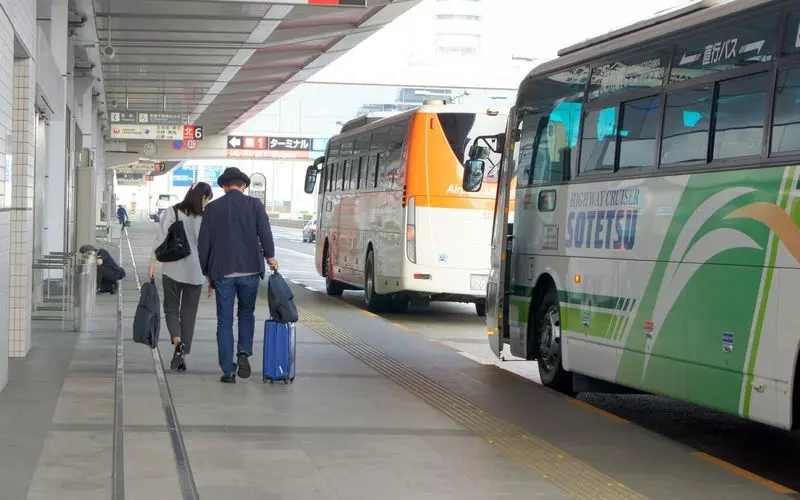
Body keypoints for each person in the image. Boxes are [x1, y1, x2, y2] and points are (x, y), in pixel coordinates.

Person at [198, 167, 279, 384]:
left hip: (223, 271)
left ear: (224, 186)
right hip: (250, 269)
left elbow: (203, 243)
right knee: (246, 314)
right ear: (243, 186)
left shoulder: (212, 208)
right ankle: (243, 352)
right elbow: (265, 233)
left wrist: (207, 271)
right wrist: (270, 257)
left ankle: (228, 370)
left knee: (224, 321)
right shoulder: (254, 205)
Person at [148, 182, 214, 373]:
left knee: (171, 310)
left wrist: (152, 262)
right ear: (205, 197)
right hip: (196, 272)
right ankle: (183, 356)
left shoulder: (172, 211)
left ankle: (177, 341)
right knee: (188, 314)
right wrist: (211, 275)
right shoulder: (206, 217)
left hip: (172, 269)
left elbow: (160, 238)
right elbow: (209, 247)